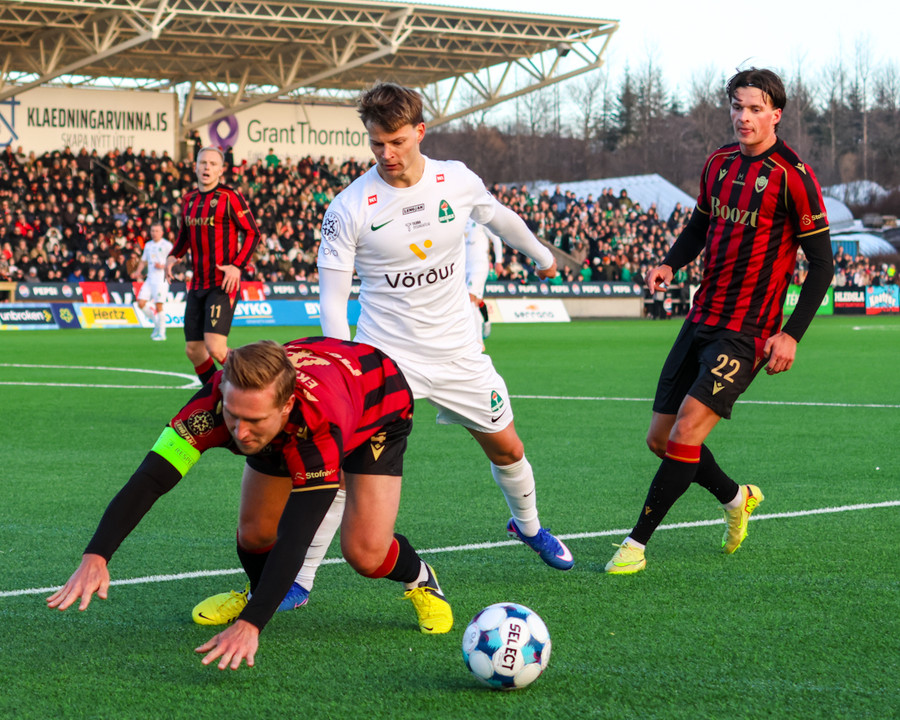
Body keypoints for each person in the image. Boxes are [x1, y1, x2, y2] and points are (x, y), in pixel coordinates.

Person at [46, 338, 453, 671]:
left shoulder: (316, 430)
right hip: (302, 406)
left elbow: (297, 535)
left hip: (377, 400)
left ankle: (420, 578)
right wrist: (97, 555)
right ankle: (260, 592)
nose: (240, 433)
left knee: (364, 553)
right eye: (233, 415)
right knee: (256, 532)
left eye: (253, 420)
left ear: (286, 406)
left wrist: (251, 624)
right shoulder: (212, 410)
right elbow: (151, 479)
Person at [605, 68, 834, 574]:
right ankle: (735, 498)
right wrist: (670, 263)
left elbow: (822, 264)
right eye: (737, 106)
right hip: (701, 317)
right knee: (661, 440)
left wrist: (791, 335)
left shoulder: (794, 176)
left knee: (686, 434)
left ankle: (635, 546)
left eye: (755, 109)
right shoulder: (718, 163)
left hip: (749, 331)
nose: (743, 117)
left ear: (776, 114)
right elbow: (699, 226)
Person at [167, 146, 260, 383]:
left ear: (221, 170)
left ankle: (254, 384)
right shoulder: (189, 200)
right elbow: (184, 236)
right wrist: (173, 255)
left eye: (212, 164)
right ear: (195, 167)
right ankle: (216, 395)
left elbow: (253, 233)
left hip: (222, 283)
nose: (207, 167)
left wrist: (237, 266)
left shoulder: (230, 198)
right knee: (194, 350)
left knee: (216, 347)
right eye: (203, 163)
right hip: (197, 284)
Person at [464, 218, 504, 344]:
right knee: (475, 302)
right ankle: (481, 330)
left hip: (479, 266)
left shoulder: (480, 220)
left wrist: (498, 262)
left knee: (470, 299)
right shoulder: (461, 220)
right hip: (465, 267)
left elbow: (496, 240)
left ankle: (478, 341)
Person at [136, 222, 173, 341]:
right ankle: (157, 324)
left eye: (157, 231)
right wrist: (138, 272)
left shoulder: (167, 245)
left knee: (158, 305)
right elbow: (143, 261)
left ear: (162, 232)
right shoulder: (148, 245)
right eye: (152, 231)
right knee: (140, 303)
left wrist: (163, 266)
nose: (154, 233)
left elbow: (176, 259)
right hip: (150, 278)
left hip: (161, 279)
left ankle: (162, 333)